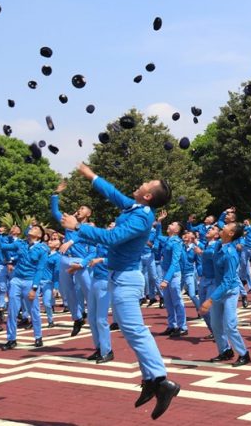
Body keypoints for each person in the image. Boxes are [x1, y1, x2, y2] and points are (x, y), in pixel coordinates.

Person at [60, 163, 179, 420]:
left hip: (126, 279)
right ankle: (151, 380)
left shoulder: (141, 217)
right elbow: (113, 194)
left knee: (134, 330)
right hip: (119, 277)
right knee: (128, 329)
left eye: (147, 183)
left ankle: (161, 381)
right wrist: (92, 176)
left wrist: (78, 227)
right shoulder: (136, 207)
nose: (142, 182)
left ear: (148, 195)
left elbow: (112, 238)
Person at [200, 222, 251, 367]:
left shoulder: (230, 254)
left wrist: (210, 300)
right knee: (216, 324)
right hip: (218, 289)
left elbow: (228, 281)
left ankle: (244, 354)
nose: (221, 228)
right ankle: (225, 351)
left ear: (230, 234)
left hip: (229, 292)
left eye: (225, 227)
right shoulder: (217, 245)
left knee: (229, 325)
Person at [52, 181, 94, 337]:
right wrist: (56, 194)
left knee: (88, 289)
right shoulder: (69, 223)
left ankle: (94, 314)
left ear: (88, 214)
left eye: (82, 208)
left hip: (80, 261)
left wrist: (83, 263)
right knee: (66, 291)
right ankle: (77, 318)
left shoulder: (90, 228)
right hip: (64, 260)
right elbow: (56, 212)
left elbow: (94, 250)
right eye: (79, 208)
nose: (79, 210)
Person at [0, 224, 49, 349]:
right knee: (12, 310)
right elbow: (2, 246)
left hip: (30, 281)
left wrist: (34, 288)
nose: (32, 228)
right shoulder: (21, 243)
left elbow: (40, 269)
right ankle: (11, 339)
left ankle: (38, 336)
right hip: (16, 280)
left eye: (36, 228)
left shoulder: (42, 249)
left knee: (34, 311)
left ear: (40, 235)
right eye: (32, 227)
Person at [84, 228, 114, 364]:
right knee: (91, 317)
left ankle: (107, 351)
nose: (108, 228)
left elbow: (115, 261)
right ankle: (99, 348)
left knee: (101, 319)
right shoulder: (98, 243)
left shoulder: (114, 244)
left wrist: (101, 260)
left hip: (104, 280)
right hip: (95, 280)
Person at [159, 221, 188, 337]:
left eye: (172, 224)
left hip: (174, 274)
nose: (169, 225)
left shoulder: (177, 242)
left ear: (176, 230)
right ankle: (172, 325)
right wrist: (160, 222)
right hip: (166, 272)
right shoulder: (168, 239)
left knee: (177, 301)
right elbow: (157, 236)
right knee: (168, 301)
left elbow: (175, 262)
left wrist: (166, 279)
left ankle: (183, 327)